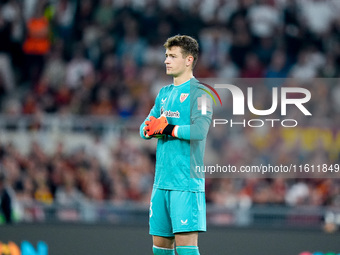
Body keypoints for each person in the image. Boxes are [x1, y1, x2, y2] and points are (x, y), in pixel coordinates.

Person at [140, 35, 212, 255]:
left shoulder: (201, 93)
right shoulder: (163, 94)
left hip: (186, 183)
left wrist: (167, 129)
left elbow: (199, 131)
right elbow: (144, 129)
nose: (166, 61)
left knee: (186, 249)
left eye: (172, 56)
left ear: (189, 60)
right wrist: (149, 130)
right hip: (161, 182)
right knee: (160, 249)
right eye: (166, 56)